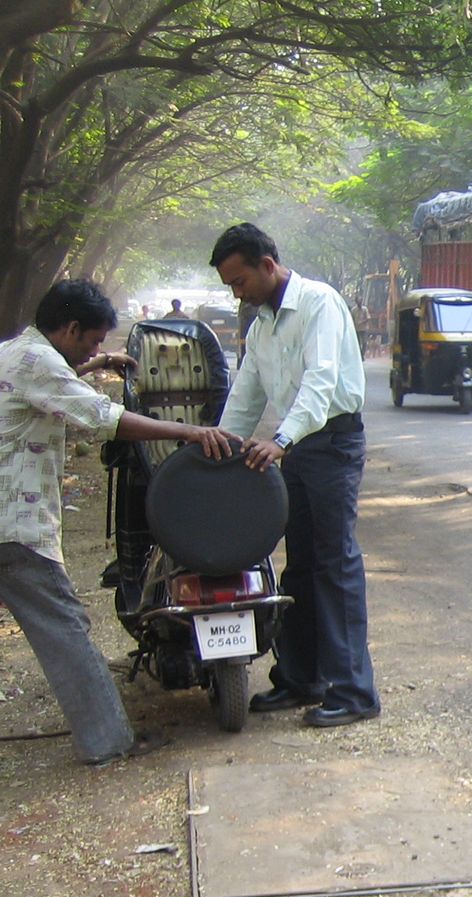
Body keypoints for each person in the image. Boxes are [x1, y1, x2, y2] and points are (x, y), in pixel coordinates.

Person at [0, 279, 236, 765]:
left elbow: (52, 383)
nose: (93, 349)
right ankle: (108, 742)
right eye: (91, 341)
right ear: (70, 328)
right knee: (65, 628)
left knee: (59, 626)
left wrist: (99, 363)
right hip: (15, 525)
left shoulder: (17, 352)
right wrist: (189, 431)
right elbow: (105, 418)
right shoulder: (39, 363)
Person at [209, 222, 379, 728]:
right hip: (298, 449)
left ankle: (354, 693)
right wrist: (217, 446)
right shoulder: (260, 326)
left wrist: (280, 440)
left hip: (332, 443)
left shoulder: (319, 303)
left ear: (267, 265)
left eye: (239, 282)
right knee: (299, 565)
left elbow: (321, 381)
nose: (236, 294)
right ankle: (302, 678)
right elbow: (246, 395)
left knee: (335, 563)